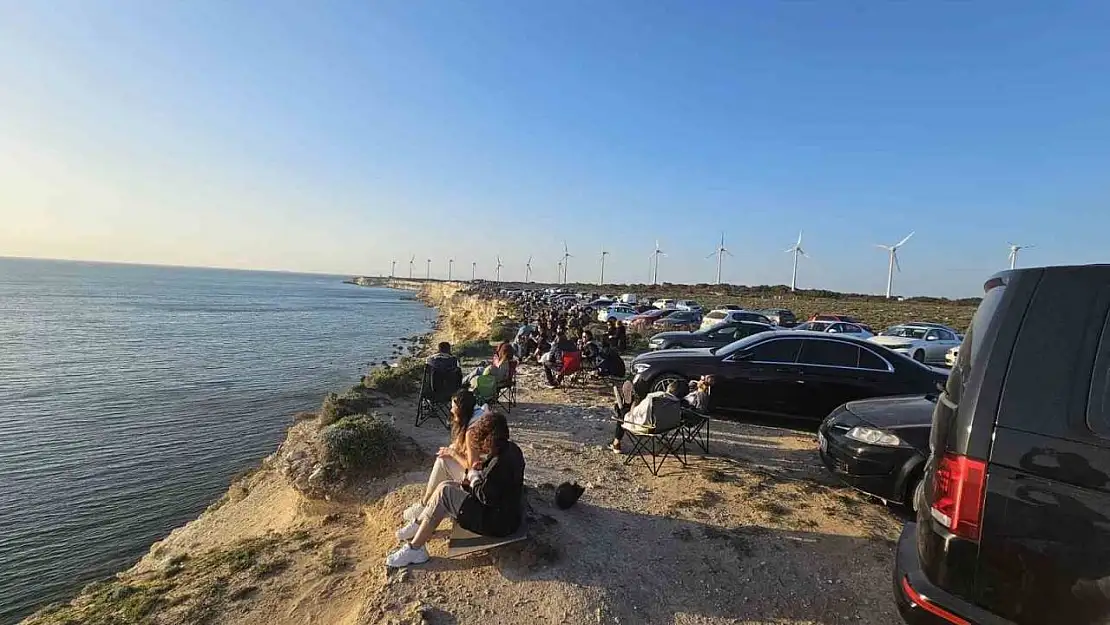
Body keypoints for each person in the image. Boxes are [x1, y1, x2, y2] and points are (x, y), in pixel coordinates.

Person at [388, 412, 526, 567]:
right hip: (505, 513)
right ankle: (420, 526)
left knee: (445, 493)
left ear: (489, 439)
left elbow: (486, 496)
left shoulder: (499, 463)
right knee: (444, 486)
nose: (481, 448)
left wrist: (473, 477)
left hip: (498, 523)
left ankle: (415, 549)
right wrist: (477, 474)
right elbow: (496, 486)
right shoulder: (511, 449)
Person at [401, 390, 486, 524]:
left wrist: (453, 454)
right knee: (449, 452)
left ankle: (424, 506)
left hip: (480, 480)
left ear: (461, 411)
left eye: (454, 408)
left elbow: (472, 466)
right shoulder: (481, 415)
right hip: (488, 471)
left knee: (443, 459)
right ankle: (428, 504)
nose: (451, 410)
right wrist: (454, 449)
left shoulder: (472, 431)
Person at [608, 380, 681, 453]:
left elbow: (637, 413)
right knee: (627, 410)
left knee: (621, 415)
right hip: (666, 427)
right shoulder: (678, 401)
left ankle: (616, 443)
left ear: (668, 387)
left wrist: (632, 409)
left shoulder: (654, 397)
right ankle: (629, 402)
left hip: (646, 428)